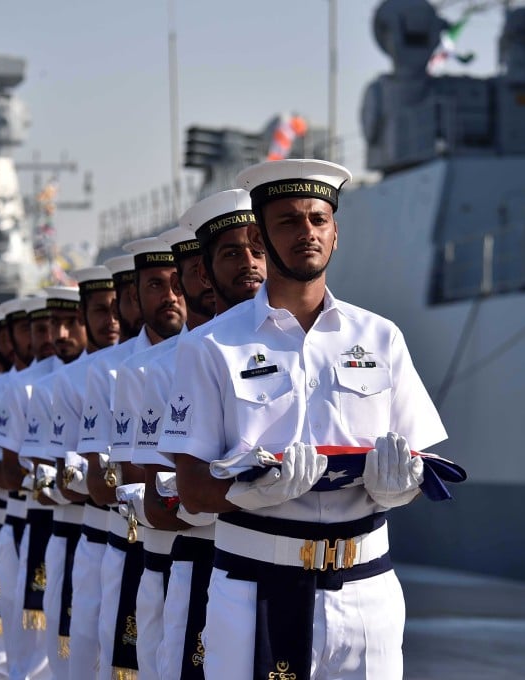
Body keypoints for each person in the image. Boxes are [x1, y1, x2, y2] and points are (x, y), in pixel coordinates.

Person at [158, 159, 447, 679]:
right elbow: (193, 489)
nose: (306, 233)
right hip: (254, 590)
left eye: (317, 219)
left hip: (367, 594)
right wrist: (249, 493)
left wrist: (399, 486)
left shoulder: (381, 338)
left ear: (336, 234)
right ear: (263, 238)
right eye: (288, 221)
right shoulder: (211, 347)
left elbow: (418, 457)